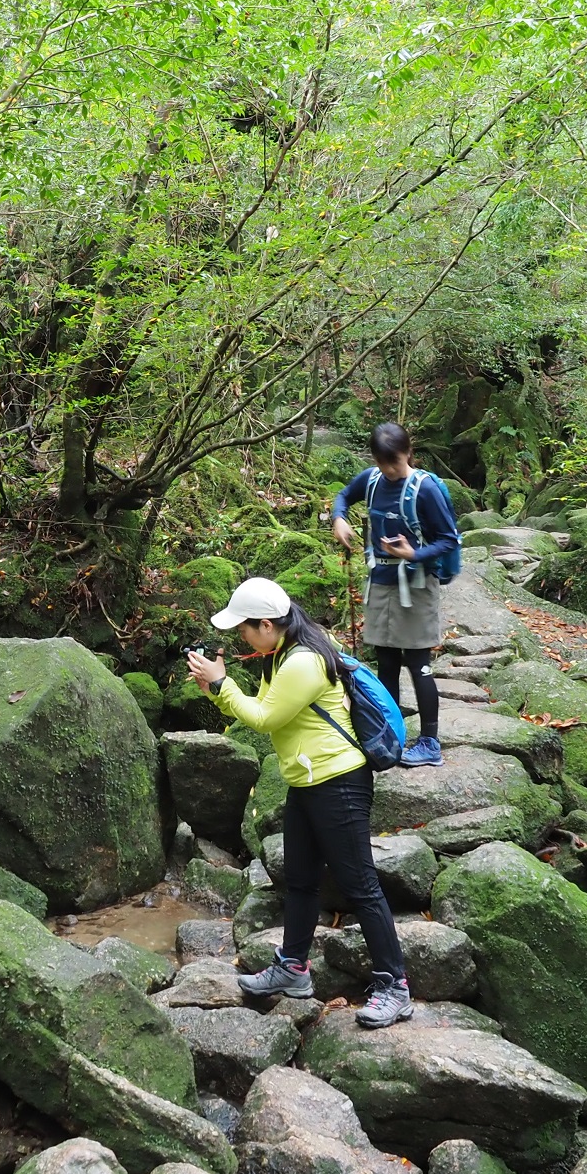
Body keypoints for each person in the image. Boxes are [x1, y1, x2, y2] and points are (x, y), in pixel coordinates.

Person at [186, 577, 413, 1029]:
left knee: (360, 885)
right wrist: (218, 687)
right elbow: (264, 707)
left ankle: (395, 986)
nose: (242, 638)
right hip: (307, 781)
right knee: (302, 880)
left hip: (339, 781)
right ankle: (293, 968)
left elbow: (265, 717)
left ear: (267, 624)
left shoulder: (304, 661)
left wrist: (223, 684)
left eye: (245, 630)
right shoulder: (285, 652)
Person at [331, 420, 460, 767]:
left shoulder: (426, 489)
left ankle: (430, 743)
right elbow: (343, 495)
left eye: (396, 463)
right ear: (375, 459)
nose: (390, 471)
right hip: (381, 583)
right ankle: (389, 734)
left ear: (408, 453)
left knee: (419, 665)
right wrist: (339, 517)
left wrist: (413, 554)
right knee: (386, 663)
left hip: (417, 585)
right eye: (384, 463)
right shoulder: (371, 480)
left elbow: (450, 539)